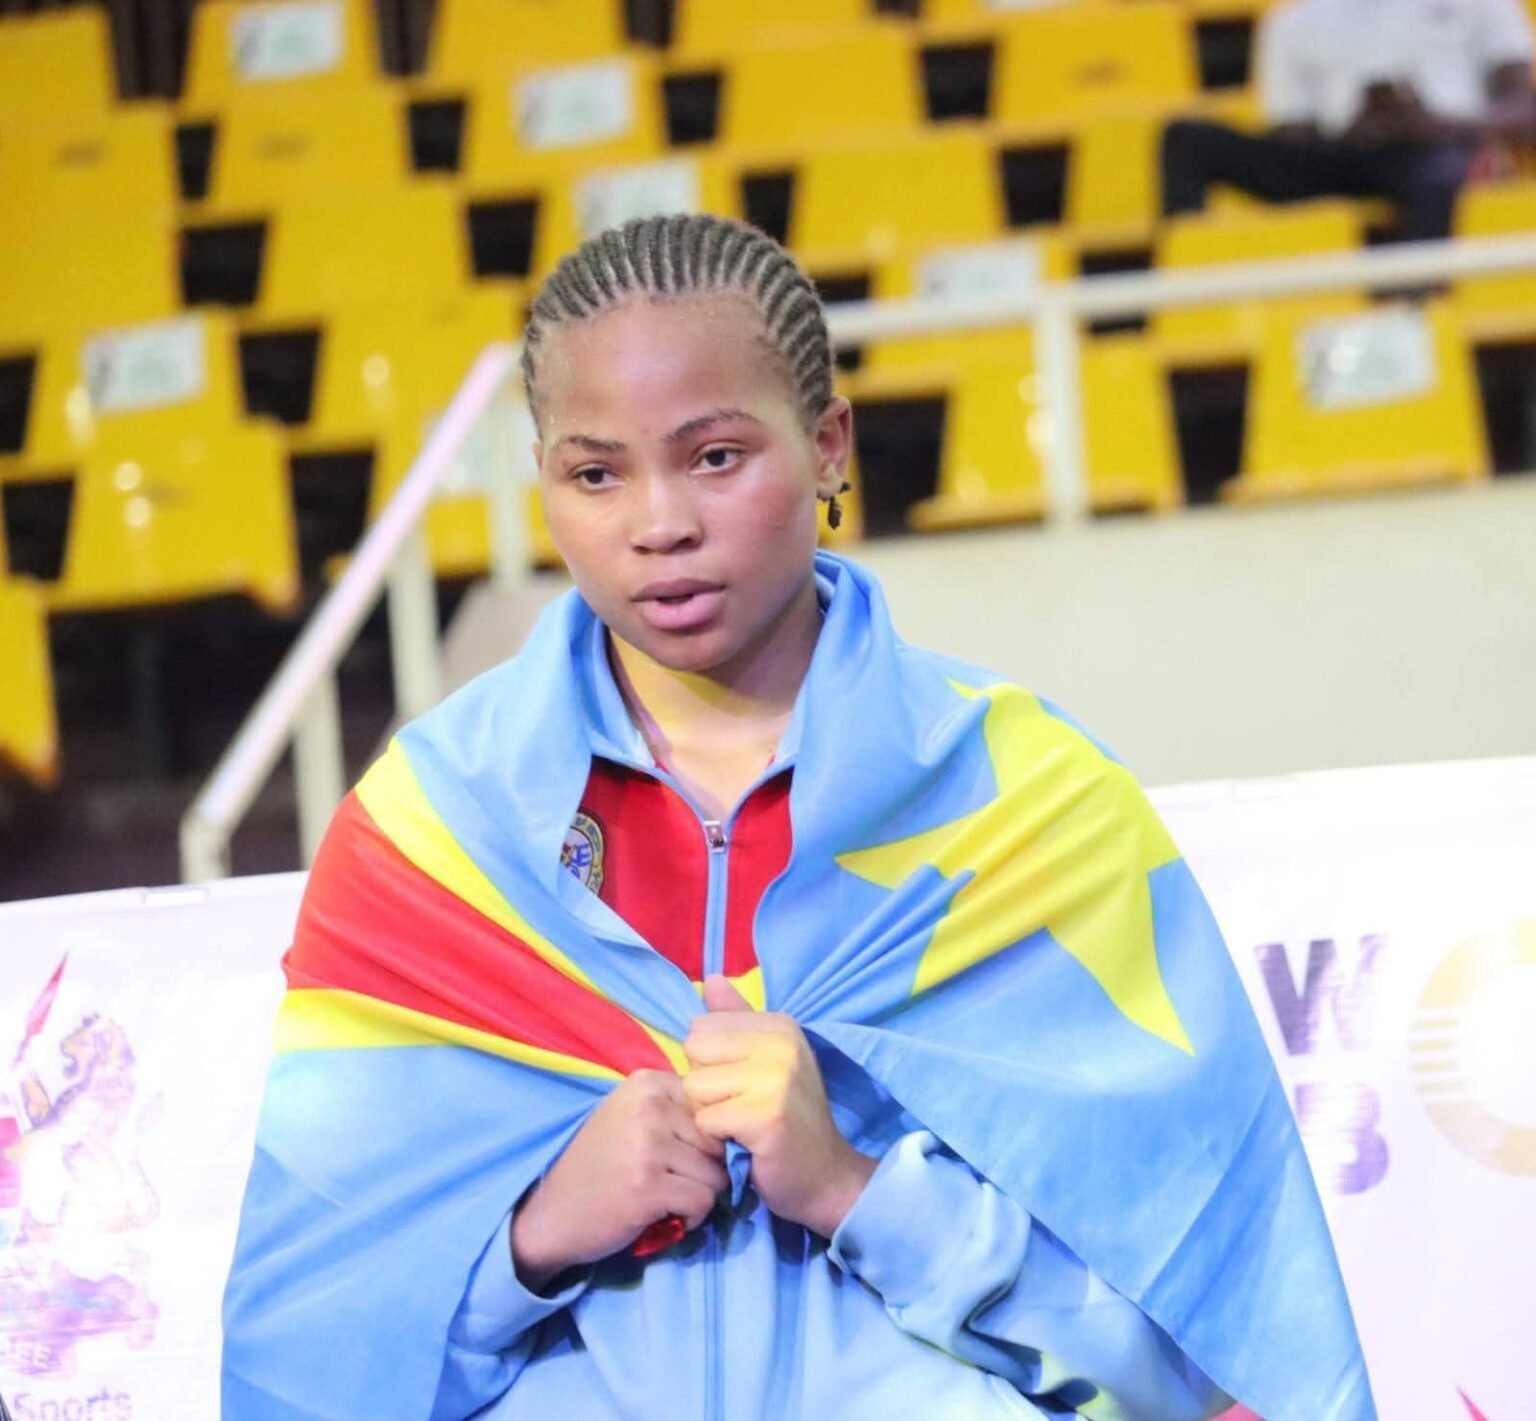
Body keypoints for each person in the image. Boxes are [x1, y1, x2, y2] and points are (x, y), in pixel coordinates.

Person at [221, 214, 1375, 1420]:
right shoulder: (434, 833)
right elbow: (311, 1357)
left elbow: (1204, 1358)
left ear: (828, 446)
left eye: (714, 456)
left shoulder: (1026, 799)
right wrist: (535, 1235)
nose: (657, 522)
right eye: (595, 471)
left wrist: (856, 1188)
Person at [1161, 0, 1536, 239]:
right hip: (1340, 152)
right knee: (1189, 140)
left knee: (1440, 174)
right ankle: (1185, 286)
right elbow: (1290, 131)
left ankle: (1417, 303)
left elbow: (1526, 106)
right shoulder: (1292, 19)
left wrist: (1439, 125)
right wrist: (1357, 131)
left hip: (1443, 145)